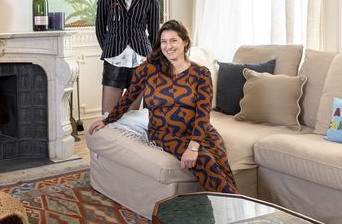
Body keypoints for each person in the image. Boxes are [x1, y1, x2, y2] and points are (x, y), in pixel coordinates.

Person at [88, 20, 238, 194]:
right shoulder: (148, 70)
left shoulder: (201, 74)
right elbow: (128, 97)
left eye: (173, 40)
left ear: (185, 42)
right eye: (164, 42)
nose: (168, 46)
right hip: (164, 133)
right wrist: (108, 120)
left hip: (200, 133)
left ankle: (236, 208)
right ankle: (234, 209)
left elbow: (203, 114)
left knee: (220, 160)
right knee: (205, 160)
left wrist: (194, 145)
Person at [95, 0, 160, 116]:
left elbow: (154, 33)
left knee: (131, 115)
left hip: (140, 61)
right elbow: (100, 29)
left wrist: (150, 57)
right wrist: (111, 47)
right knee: (108, 114)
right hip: (114, 59)